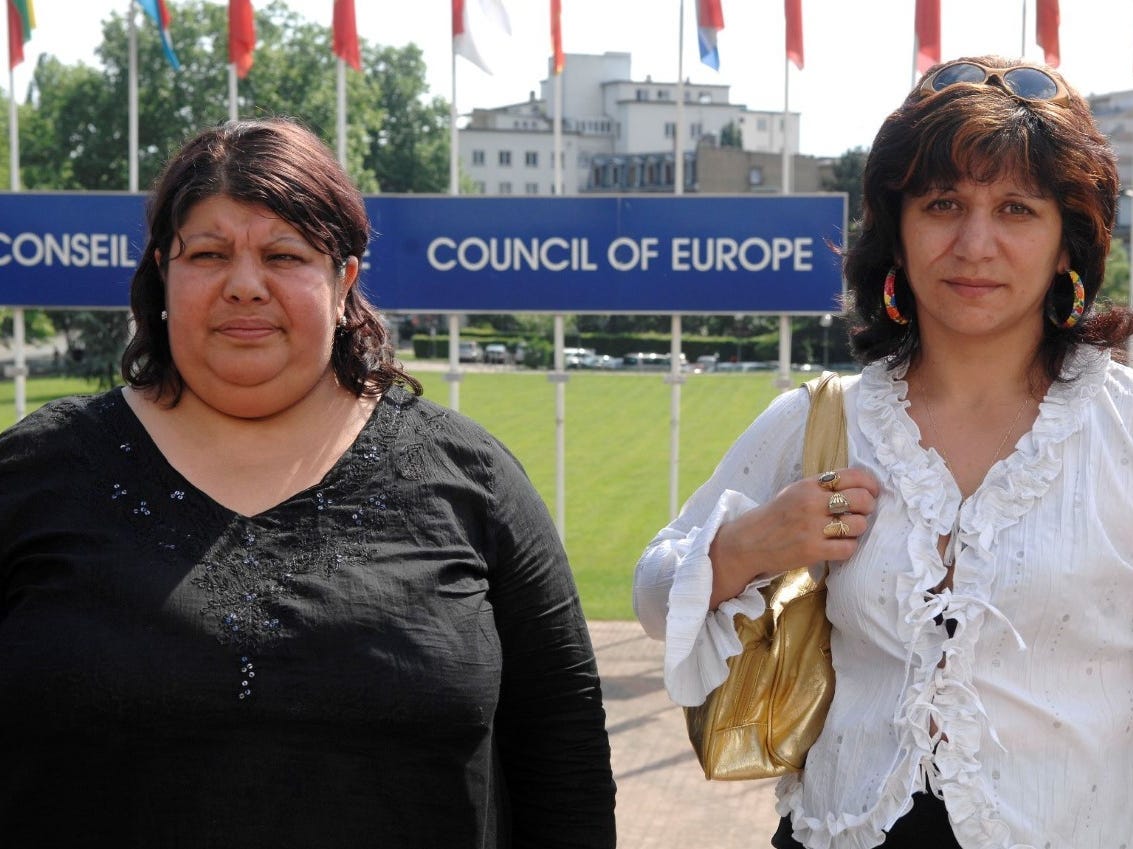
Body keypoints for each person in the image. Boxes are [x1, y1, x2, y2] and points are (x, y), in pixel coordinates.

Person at [0, 117, 616, 848]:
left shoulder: (470, 478)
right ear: (165, 270)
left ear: (343, 278)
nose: (244, 285)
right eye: (209, 253)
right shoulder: (35, 473)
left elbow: (564, 765)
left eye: (284, 253)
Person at [634, 56, 1133, 849]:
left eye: (1015, 208)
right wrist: (747, 545)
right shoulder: (820, 418)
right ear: (895, 234)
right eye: (942, 204)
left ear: (1068, 242)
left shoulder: (1119, 429)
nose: (975, 243)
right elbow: (654, 595)